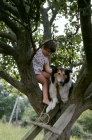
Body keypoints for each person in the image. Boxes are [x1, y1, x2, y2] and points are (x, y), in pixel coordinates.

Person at [32, 39, 57, 105]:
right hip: (34, 72)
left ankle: (48, 92)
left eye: (51, 53)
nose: (49, 53)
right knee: (45, 81)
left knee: (49, 76)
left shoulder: (46, 59)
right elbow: (28, 52)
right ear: (43, 47)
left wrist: (56, 72)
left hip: (39, 72)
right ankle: (45, 99)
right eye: (48, 51)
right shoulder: (37, 51)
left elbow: (48, 70)